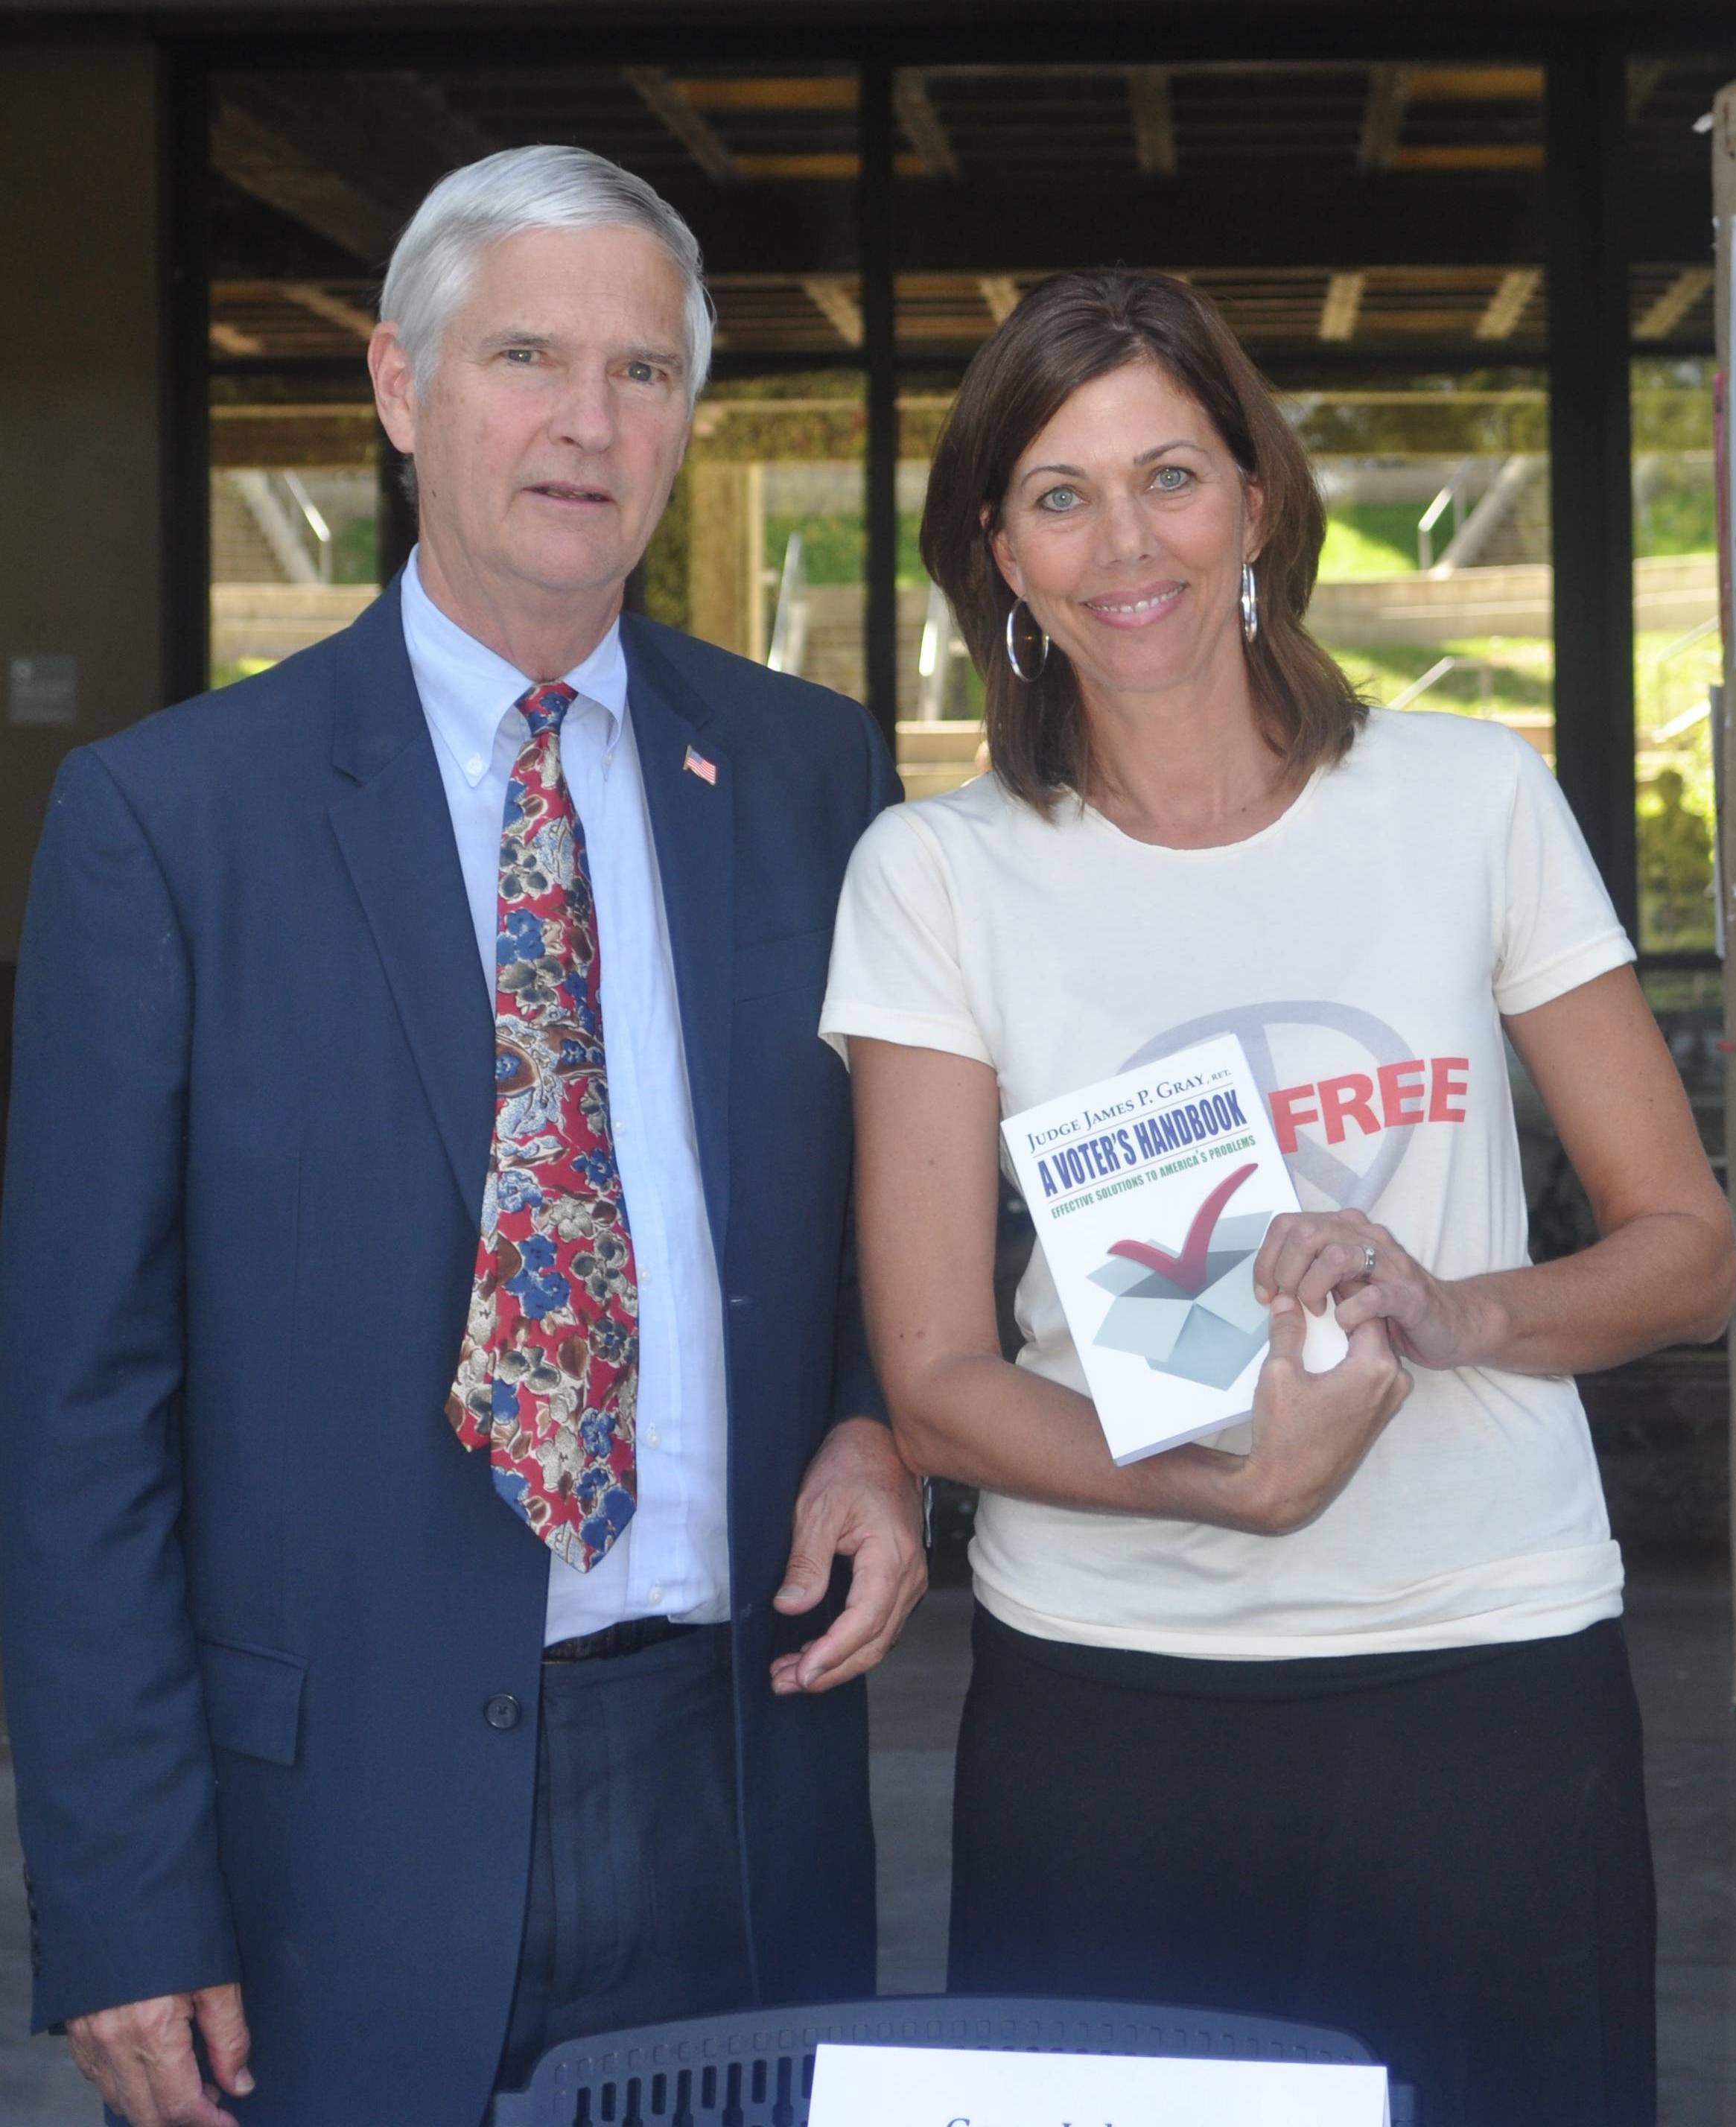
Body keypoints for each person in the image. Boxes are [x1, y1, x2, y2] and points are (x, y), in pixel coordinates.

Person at [0, 145, 925, 2127]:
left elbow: (891, 1201)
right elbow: (76, 1411)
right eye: (525, 357)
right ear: (400, 387)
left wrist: (877, 1422)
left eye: (642, 371)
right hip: (327, 1845)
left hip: (738, 1779)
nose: (588, 422)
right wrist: (123, 1896)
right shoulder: (169, 821)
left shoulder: (811, 771)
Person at [821, 270, 1735, 2127]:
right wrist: (1230, 1487)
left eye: (1168, 475)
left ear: (1254, 499)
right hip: (1107, 1699)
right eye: (1059, 496)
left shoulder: (1466, 800)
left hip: (1486, 1664)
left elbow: (1688, 1254)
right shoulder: (935, 873)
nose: (1123, 544)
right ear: (997, 550)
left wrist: (1456, 1310)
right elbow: (935, 1386)